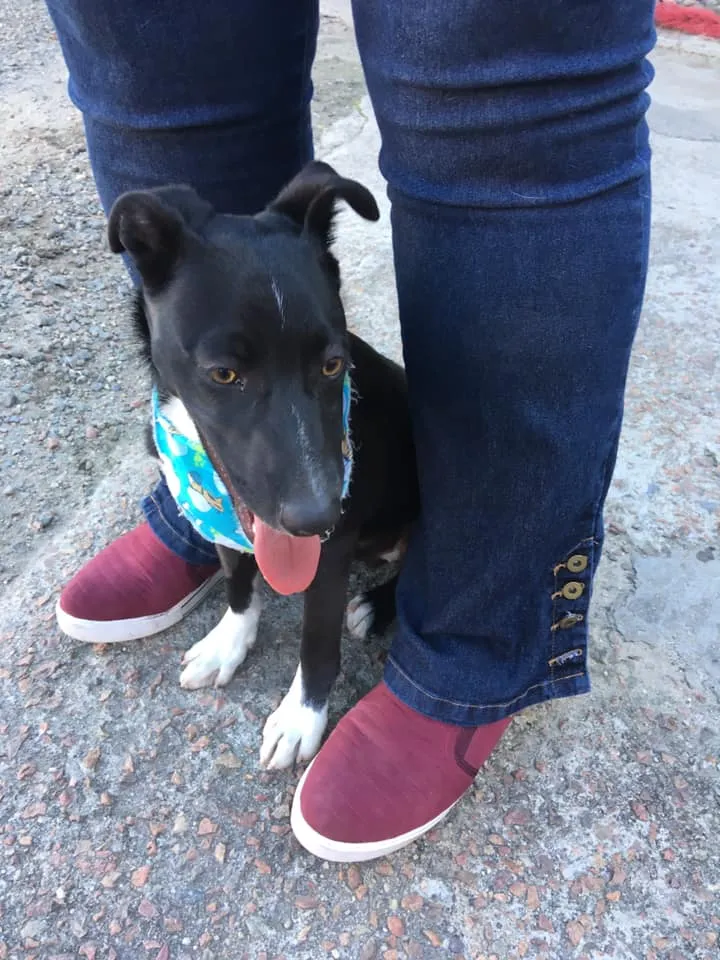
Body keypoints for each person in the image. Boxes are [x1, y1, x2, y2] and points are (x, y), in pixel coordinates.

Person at [47, 0, 655, 862]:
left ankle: (482, 623)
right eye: (226, 372)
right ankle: (212, 526)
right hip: (217, 377)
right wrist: (243, 617)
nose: (309, 483)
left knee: (504, 79)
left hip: (386, 509)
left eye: (326, 362)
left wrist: (311, 689)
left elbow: (319, 491)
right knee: (160, 63)